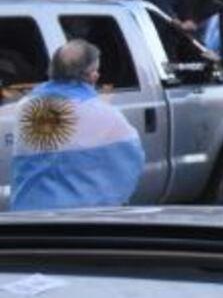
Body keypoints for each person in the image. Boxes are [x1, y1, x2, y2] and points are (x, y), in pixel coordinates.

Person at [8, 39, 143, 210]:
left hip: (29, 213)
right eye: (95, 70)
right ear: (92, 76)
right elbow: (131, 159)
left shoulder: (25, 106)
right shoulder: (103, 113)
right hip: (79, 218)